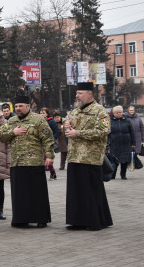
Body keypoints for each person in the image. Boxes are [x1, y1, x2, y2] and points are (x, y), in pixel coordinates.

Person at [0, 95, 54, 228]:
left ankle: (41, 218)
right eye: (16, 106)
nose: (18, 109)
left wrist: (50, 156)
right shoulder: (11, 121)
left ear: (28, 107)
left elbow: (48, 138)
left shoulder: (38, 120)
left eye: (20, 106)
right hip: (17, 163)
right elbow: (0, 135)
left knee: (37, 193)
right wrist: (13, 132)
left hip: (34, 162)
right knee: (20, 194)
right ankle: (21, 219)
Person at [64, 82, 113, 230]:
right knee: (76, 191)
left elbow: (104, 131)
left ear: (89, 94)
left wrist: (77, 133)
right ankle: (78, 221)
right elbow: (67, 123)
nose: (77, 96)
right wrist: (66, 127)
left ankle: (95, 221)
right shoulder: (75, 111)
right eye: (77, 93)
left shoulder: (100, 111)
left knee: (91, 190)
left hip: (90, 158)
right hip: (74, 156)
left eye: (80, 93)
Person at [107, 105, 135, 180]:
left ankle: (123, 174)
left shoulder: (127, 120)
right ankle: (113, 175)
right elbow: (107, 134)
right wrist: (107, 144)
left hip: (126, 143)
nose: (119, 114)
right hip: (114, 143)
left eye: (120, 112)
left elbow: (132, 132)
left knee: (125, 160)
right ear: (114, 113)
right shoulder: (110, 121)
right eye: (117, 112)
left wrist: (133, 143)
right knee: (114, 160)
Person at [39, 107, 60, 180]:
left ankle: (42, 173)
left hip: (48, 143)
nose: (41, 114)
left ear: (47, 114)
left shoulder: (51, 121)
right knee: (44, 158)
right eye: (40, 113)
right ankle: (52, 172)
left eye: (43, 113)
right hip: (40, 142)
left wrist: (51, 139)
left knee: (45, 157)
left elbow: (57, 132)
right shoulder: (38, 121)